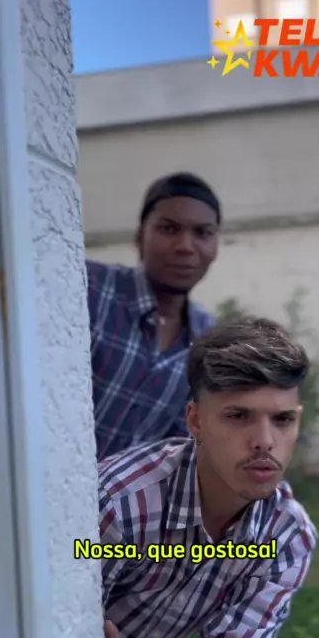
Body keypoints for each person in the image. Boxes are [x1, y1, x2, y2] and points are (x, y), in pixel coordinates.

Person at [98, 317, 319, 638]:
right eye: (238, 416)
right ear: (195, 420)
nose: (265, 442)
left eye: (282, 419)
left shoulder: (286, 538)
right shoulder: (120, 504)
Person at [86, 172, 221, 462]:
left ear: (216, 247)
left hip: (124, 493)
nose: (185, 246)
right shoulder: (90, 290)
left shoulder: (207, 341)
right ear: (139, 237)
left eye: (203, 233)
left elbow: (179, 447)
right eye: (169, 229)